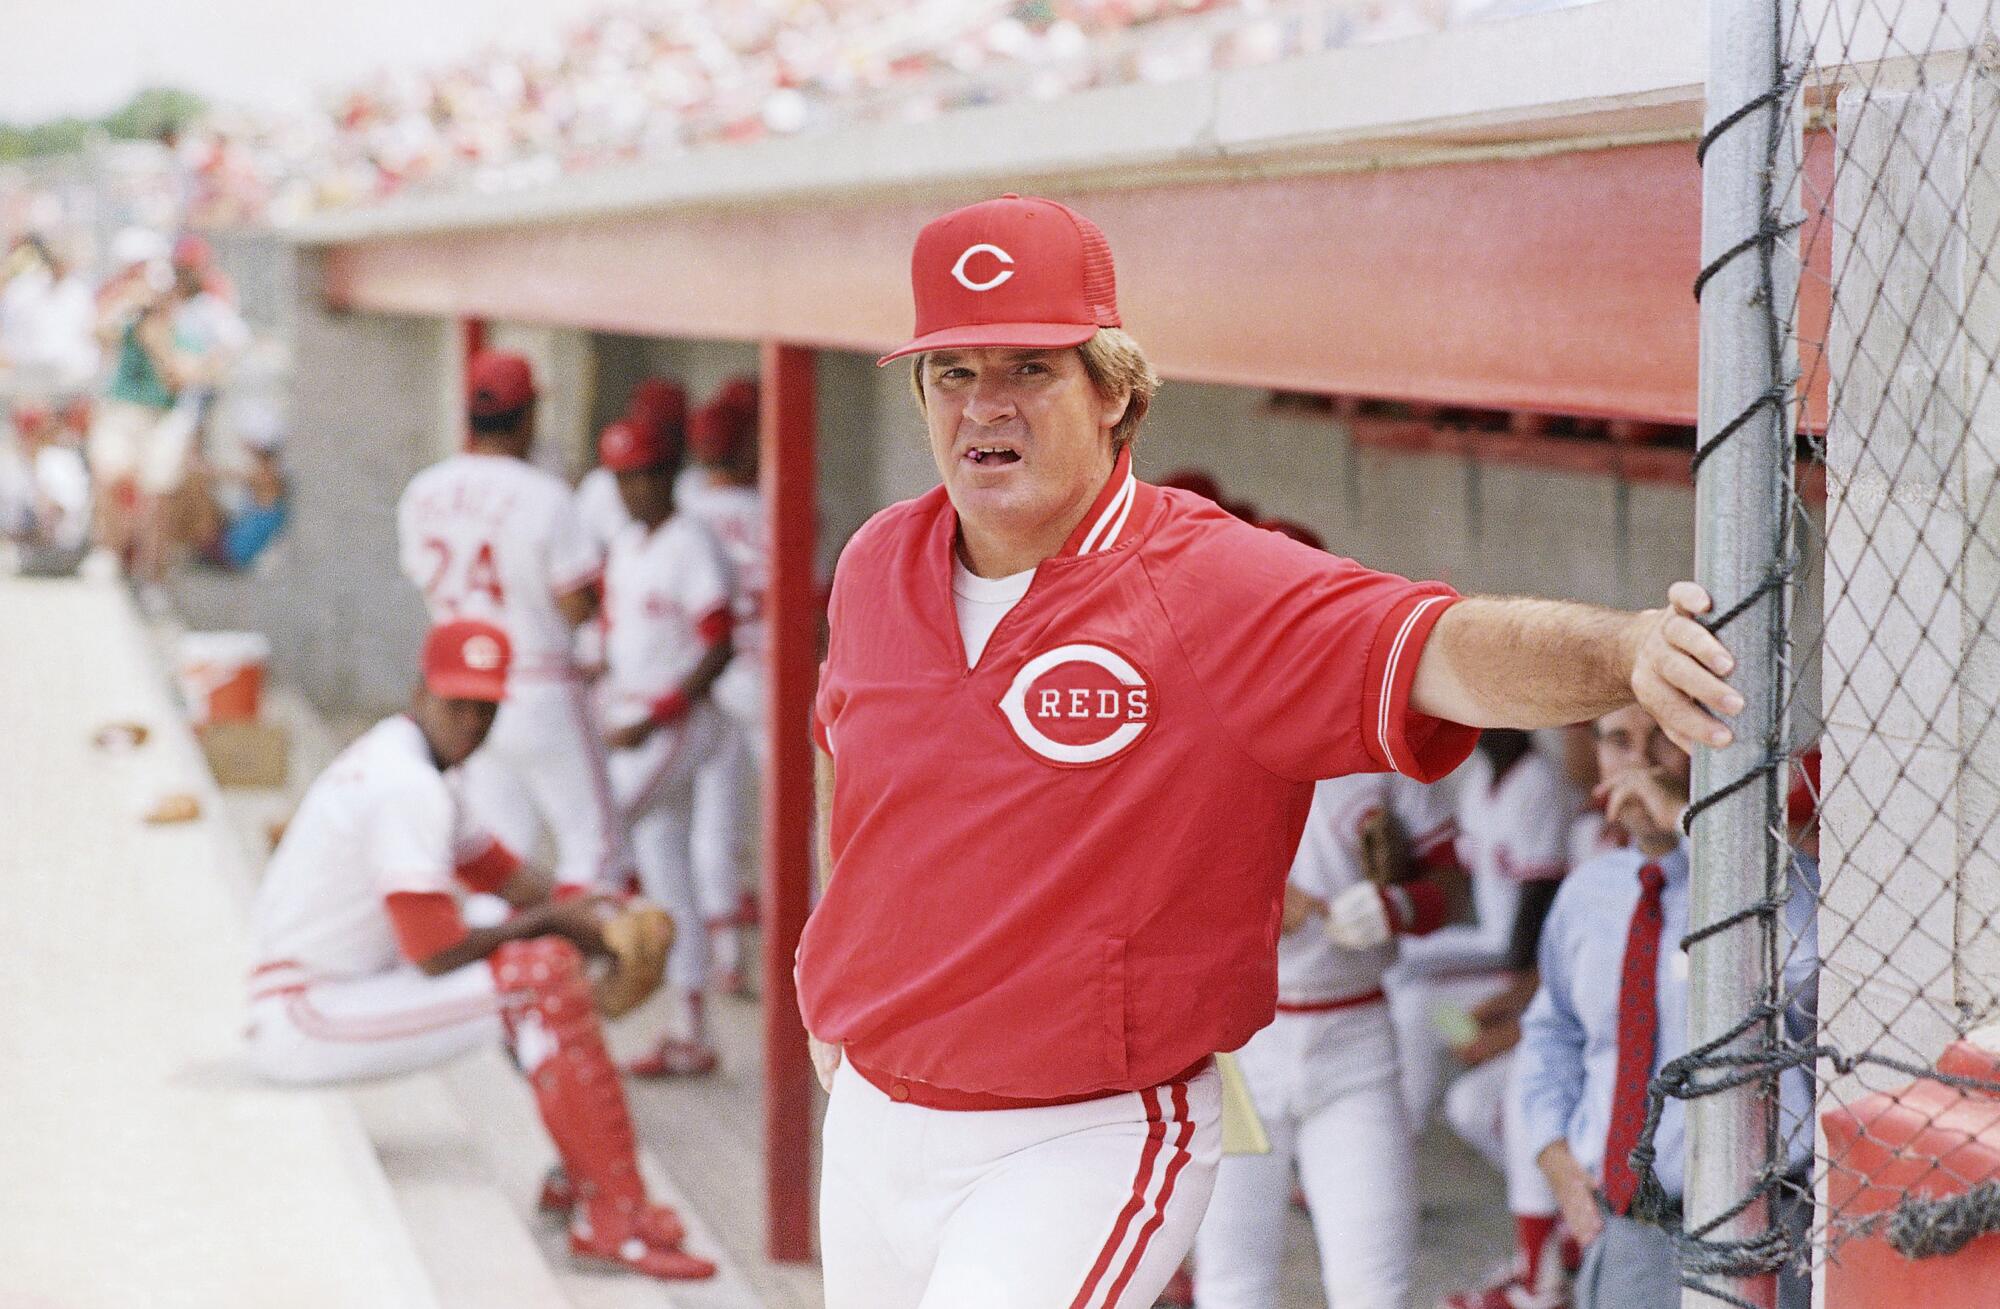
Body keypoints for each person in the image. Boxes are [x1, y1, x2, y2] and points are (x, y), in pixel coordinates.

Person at [800, 193, 1743, 1309]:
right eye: (951, 371)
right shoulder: (878, 561)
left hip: (1079, 1133)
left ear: (1114, 391)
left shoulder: (1207, 581)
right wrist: (827, 978)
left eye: (1029, 368)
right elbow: (846, 765)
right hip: (871, 1114)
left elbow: (1440, 646)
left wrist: (1622, 646)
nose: (982, 405)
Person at [243, 619, 716, 1281]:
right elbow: (435, 952)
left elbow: (513, 880)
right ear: (420, 692)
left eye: (484, 706)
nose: (470, 720)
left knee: (538, 960)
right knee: (537, 976)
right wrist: (561, 923)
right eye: (456, 702)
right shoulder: (407, 785)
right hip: (306, 1013)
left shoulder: (415, 759)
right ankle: (613, 1214)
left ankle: (590, 1185)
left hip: (334, 993)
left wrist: (609, 916)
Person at [1193, 535, 1462, 1309]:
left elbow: (1449, 881)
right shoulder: (1204, 727)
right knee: (1233, 1279)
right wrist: (1261, 902)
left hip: (1353, 1036)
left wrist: (1396, 904)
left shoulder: (1377, 738)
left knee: (1374, 1281)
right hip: (1239, 1045)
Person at [1516, 705, 1817, 1309]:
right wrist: (1553, 1153)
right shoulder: (1588, 893)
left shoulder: (1768, 883)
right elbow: (1554, 1033)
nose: (1641, 763)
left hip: (1763, 1223)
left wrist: (1691, 824)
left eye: (1665, 741)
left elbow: (1812, 969)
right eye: (1619, 741)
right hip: (1629, 1225)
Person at [397, 350, 634, 892]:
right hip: (538, 679)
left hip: (461, 690)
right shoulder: (546, 497)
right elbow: (578, 606)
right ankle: (584, 971)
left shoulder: (423, 491)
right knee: (594, 845)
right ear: (527, 416)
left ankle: (512, 973)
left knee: (501, 848)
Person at [1408, 731, 1581, 1309]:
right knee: (1401, 975)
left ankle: (1545, 1265)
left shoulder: (1538, 782)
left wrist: (1505, 1015)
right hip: (1506, 964)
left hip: (1514, 959)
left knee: (1411, 992)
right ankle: (1554, 1243)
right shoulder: (1480, 778)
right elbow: (1458, 882)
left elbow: (1532, 924)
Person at [593, 416, 736, 1076]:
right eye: (622, 476)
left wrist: (657, 714)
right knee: (666, 867)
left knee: (601, 832)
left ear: (666, 474)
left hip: (678, 720)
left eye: (642, 474)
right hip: (632, 711)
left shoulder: (690, 542)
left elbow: (718, 643)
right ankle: (690, 1030)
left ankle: (588, 990)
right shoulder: (627, 545)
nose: (632, 488)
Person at [677, 380, 767, 995]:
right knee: (804, 828)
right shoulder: (777, 506)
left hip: (714, 678)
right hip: (769, 677)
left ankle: (728, 956)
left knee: (716, 824)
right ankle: (803, 959)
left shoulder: (683, 512)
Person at [1, 404, 90, 577]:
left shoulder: (60, 460)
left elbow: (67, 510)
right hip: (23, 549)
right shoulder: (10, 463)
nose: (29, 438)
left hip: (64, 548)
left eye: (33, 431)